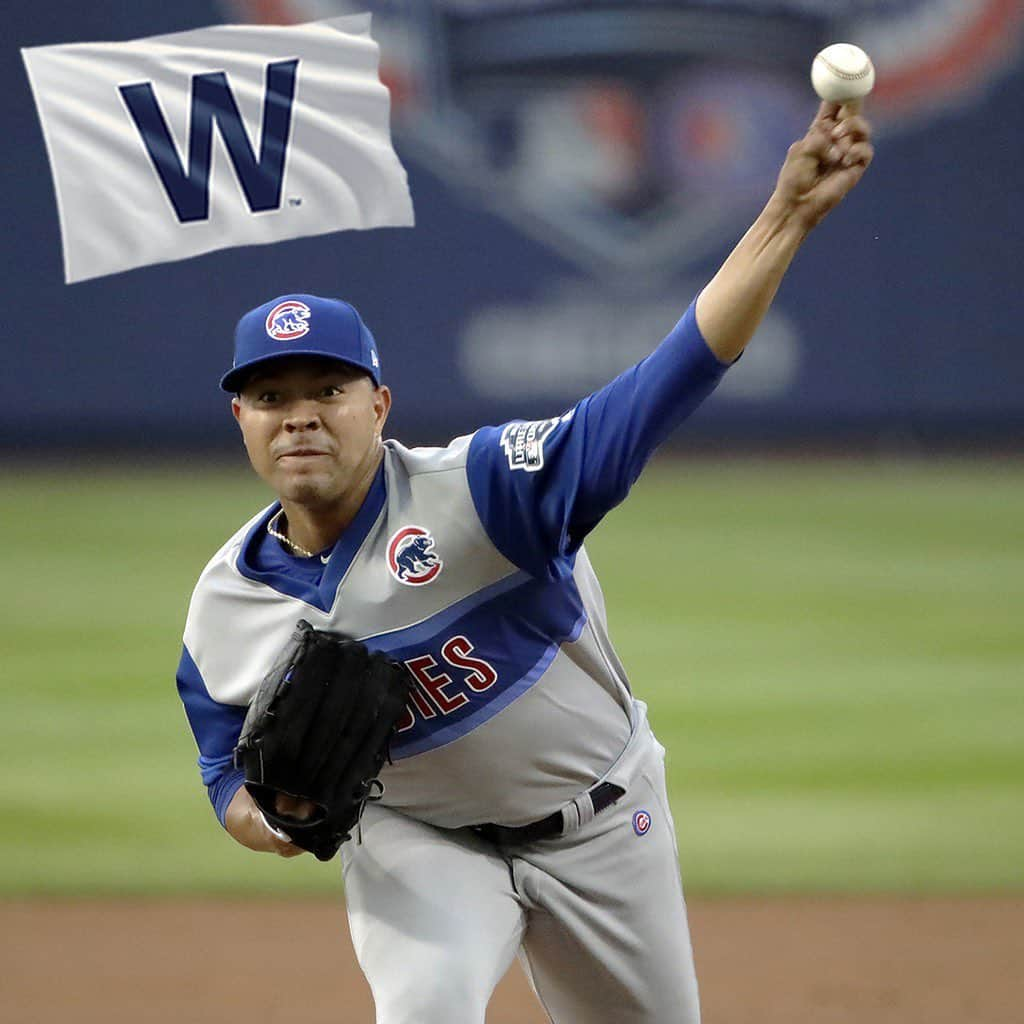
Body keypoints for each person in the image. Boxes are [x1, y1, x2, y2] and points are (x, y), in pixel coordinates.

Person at [176, 101, 873, 1023]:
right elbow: (227, 775)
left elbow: (661, 385)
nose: (299, 414)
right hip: (418, 839)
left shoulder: (484, 490)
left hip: (600, 822)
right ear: (243, 421)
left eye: (327, 390)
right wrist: (281, 823)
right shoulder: (227, 604)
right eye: (270, 395)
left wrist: (784, 216)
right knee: (424, 1009)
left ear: (378, 405)